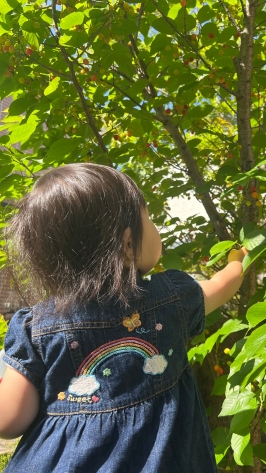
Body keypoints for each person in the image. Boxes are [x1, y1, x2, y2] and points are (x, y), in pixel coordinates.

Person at [0, 163, 247, 473]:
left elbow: (9, 421)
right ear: (128, 245)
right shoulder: (168, 298)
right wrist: (238, 259)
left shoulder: (34, 326)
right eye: (149, 217)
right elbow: (223, 287)